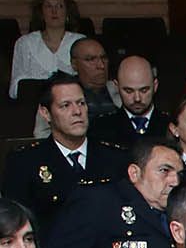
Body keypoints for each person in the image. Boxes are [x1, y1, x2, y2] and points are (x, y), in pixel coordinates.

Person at [44, 136, 182, 248]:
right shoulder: (99, 202)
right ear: (135, 173)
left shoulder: (180, 209)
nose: (174, 181)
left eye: (178, 173)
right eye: (164, 171)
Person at [1, 73, 129, 234]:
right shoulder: (24, 163)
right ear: (45, 113)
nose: (77, 111)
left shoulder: (115, 157)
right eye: (65, 105)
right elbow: (15, 224)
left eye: (81, 103)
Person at [8, 0, 84, 100]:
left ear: (67, 13)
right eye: (49, 6)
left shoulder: (80, 42)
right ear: (41, 13)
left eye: (59, 6)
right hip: (33, 106)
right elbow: (14, 88)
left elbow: (89, 82)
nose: (54, 11)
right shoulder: (25, 43)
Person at [90, 56, 167, 148]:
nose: (137, 98)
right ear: (116, 86)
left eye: (144, 90)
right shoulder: (100, 127)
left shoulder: (171, 126)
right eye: (129, 91)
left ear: (155, 86)